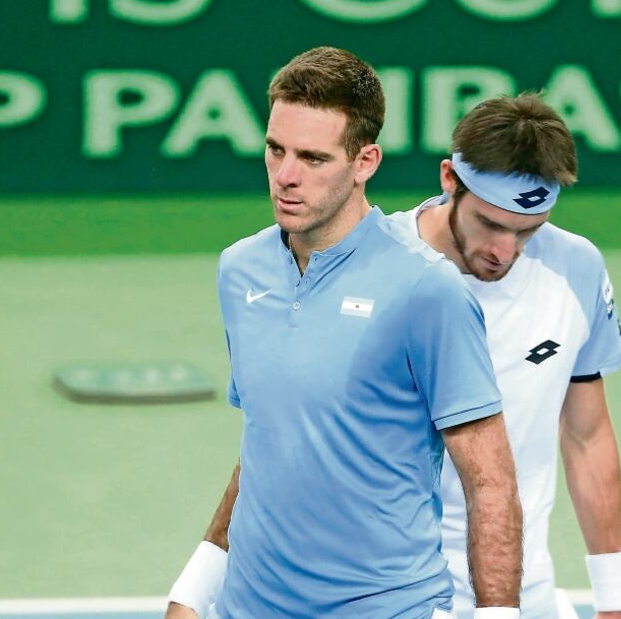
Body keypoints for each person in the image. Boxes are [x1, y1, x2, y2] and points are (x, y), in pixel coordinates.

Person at [165, 46, 523, 618]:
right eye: (275, 150)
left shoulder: (426, 291)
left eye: (313, 158)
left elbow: (490, 482)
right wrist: (194, 588)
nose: (286, 176)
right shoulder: (240, 271)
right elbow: (269, 443)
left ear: (365, 162)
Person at [388, 93, 621, 619]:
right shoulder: (373, 265)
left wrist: (614, 600)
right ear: (449, 179)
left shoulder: (576, 269)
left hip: (525, 594)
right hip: (390, 594)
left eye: (528, 230)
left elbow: (587, 436)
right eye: (491, 224)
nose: (506, 251)